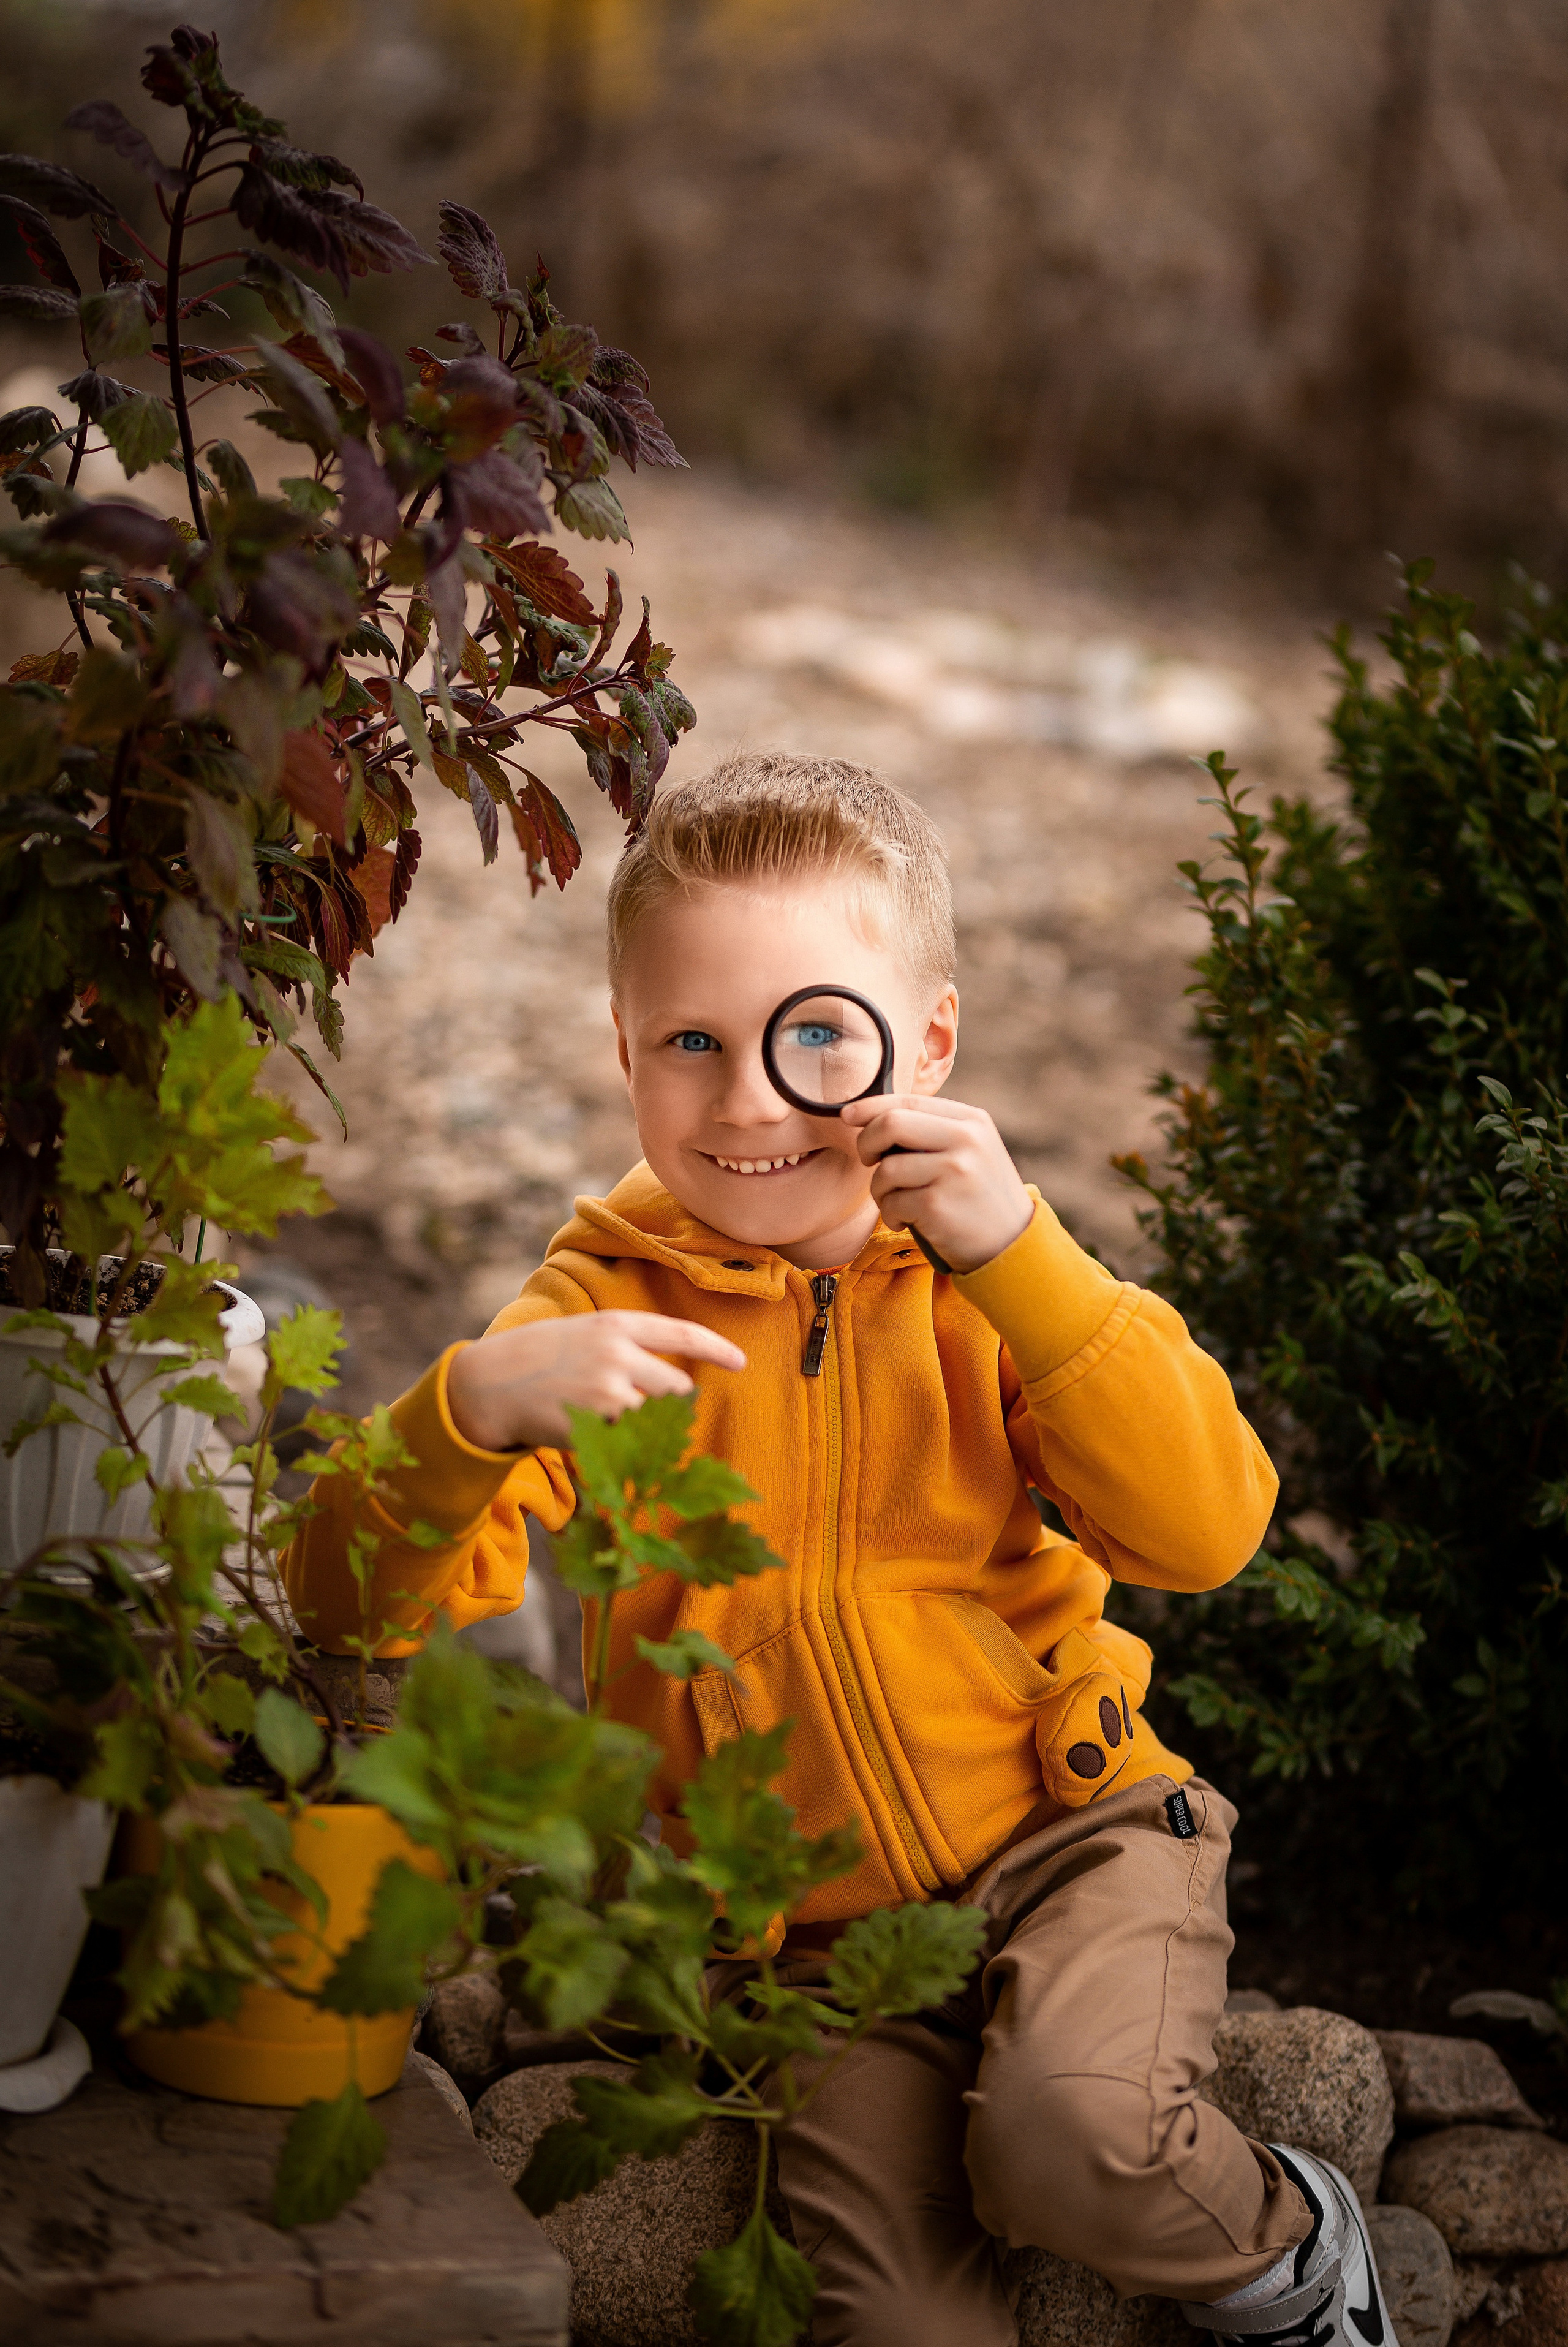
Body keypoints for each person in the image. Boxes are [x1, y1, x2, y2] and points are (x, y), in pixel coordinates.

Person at [285, 752, 1397, 2347]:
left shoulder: (993, 1275)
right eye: (691, 1043)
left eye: (814, 1035)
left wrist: (1030, 1261)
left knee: (1068, 2144)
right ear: (624, 1054)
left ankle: (1299, 2253)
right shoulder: (597, 1311)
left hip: (1073, 1833)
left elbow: (1207, 1532)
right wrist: (467, 1406)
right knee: (891, 2319)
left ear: (925, 1042)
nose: (748, 1100)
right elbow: (339, 1601)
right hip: (811, 1950)